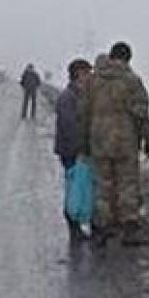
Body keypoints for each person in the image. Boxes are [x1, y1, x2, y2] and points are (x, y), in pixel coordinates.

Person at [81, 42, 149, 246]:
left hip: (99, 141)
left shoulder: (92, 81)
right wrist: (148, 141)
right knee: (127, 184)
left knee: (102, 185)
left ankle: (103, 229)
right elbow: (141, 114)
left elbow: (83, 113)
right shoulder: (131, 81)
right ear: (127, 59)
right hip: (125, 141)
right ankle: (129, 229)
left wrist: (84, 142)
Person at [55, 58, 93, 238]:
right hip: (71, 150)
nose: (90, 76)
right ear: (78, 74)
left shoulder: (78, 95)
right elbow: (69, 125)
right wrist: (80, 148)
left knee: (79, 184)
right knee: (74, 186)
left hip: (74, 148)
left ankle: (77, 221)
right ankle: (73, 223)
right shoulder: (68, 97)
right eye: (87, 73)